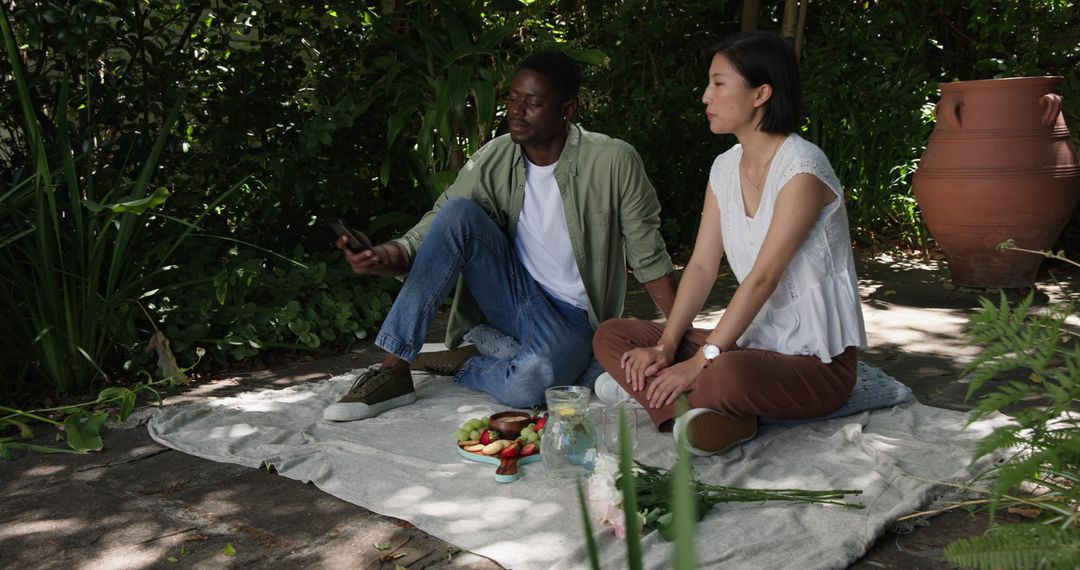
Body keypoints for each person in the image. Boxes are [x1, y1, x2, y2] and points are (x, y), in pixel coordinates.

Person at [324, 51, 677, 422]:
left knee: (529, 385)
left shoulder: (614, 161)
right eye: (512, 99)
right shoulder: (492, 159)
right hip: (513, 298)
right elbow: (432, 232)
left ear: (567, 109)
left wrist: (676, 339)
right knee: (457, 213)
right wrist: (382, 255)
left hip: (576, 320)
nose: (516, 111)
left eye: (533, 103)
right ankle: (394, 370)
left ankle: (472, 361)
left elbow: (649, 257)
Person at [592, 31, 867, 456]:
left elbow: (763, 278)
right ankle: (716, 414)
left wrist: (699, 361)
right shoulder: (724, 168)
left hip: (815, 362)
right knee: (613, 336)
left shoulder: (803, 170)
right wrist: (666, 347)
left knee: (727, 374)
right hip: (750, 343)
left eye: (719, 83)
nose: (706, 96)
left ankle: (666, 397)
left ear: (761, 94)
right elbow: (703, 266)